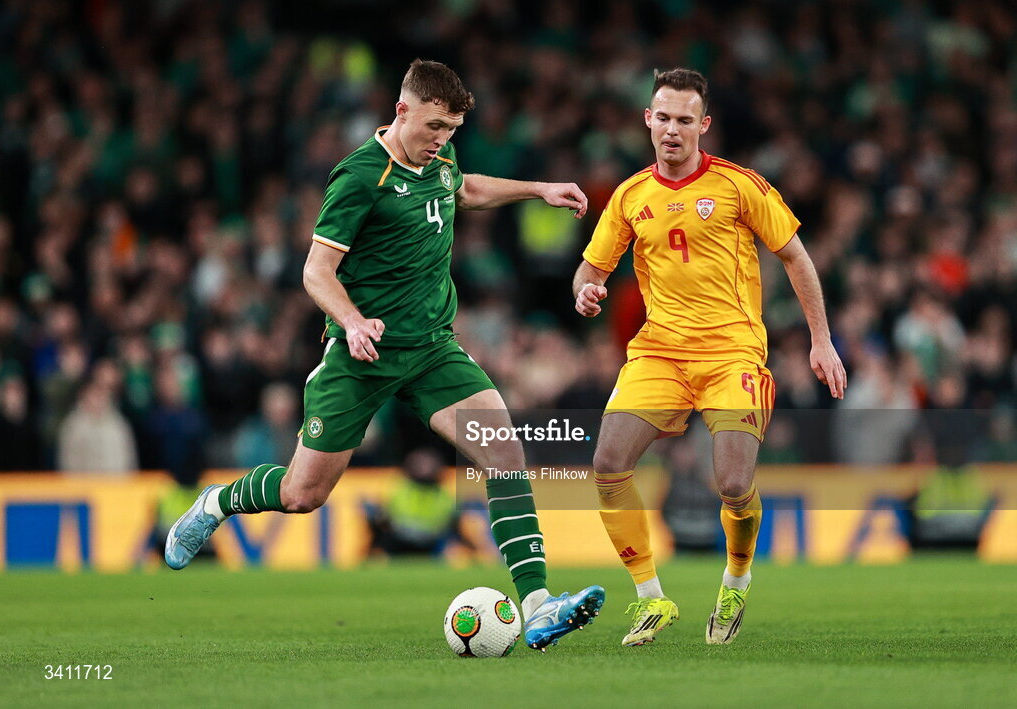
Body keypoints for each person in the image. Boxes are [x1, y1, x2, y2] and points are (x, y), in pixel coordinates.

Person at [165, 59, 604, 651]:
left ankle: (538, 603)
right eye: (434, 127)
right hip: (360, 353)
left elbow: (464, 186)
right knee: (303, 495)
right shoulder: (359, 176)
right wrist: (349, 321)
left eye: (452, 130)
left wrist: (537, 189)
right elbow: (316, 270)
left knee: (503, 450)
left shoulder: (438, 158)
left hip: (430, 349)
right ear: (402, 111)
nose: (443, 140)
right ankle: (217, 502)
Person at [572, 68, 846, 646]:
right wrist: (586, 290)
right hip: (660, 353)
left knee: (732, 483)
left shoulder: (740, 185)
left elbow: (796, 258)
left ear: (704, 124)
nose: (673, 130)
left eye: (684, 120)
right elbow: (590, 268)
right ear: (648, 120)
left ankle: (736, 580)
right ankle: (652, 599)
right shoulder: (629, 196)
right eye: (663, 118)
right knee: (607, 464)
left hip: (733, 354)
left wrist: (821, 341)